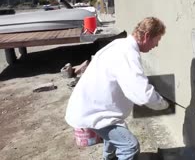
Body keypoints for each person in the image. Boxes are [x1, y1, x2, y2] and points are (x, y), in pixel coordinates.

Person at [65, 17, 169, 160]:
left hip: (91, 106)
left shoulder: (120, 44)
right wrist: (162, 103)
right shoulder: (127, 53)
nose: (156, 45)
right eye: (157, 39)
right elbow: (141, 93)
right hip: (93, 112)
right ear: (146, 36)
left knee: (115, 136)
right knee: (129, 146)